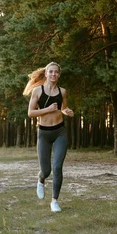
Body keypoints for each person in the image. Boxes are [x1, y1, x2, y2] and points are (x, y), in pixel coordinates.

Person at [24, 62, 74, 212]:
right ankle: (41, 180)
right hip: (44, 133)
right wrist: (46, 109)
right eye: (50, 72)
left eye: (56, 72)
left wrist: (67, 112)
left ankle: (54, 201)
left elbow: (63, 108)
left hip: (60, 132)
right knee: (46, 170)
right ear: (46, 74)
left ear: (59, 74)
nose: (53, 74)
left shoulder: (62, 91)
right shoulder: (37, 91)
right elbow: (31, 113)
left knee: (57, 167)